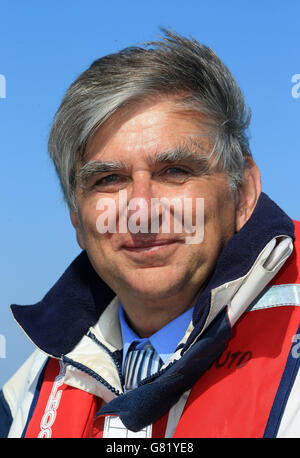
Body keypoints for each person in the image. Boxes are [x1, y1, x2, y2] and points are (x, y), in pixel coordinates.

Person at [1, 29, 300, 439]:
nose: (141, 209)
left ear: (243, 192)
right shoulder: (36, 384)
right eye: (109, 179)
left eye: (174, 171)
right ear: (77, 219)